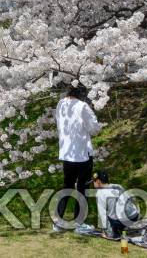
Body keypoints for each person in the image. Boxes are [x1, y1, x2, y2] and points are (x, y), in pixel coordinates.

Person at [53, 85, 102, 231]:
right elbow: (93, 128)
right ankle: (79, 223)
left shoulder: (60, 104)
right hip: (82, 154)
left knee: (67, 186)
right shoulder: (82, 106)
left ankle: (58, 222)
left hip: (67, 152)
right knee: (83, 188)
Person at [90, 170, 140, 239]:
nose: (93, 183)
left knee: (106, 213)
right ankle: (124, 228)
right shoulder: (117, 186)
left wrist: (108, 233)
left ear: (98, 181)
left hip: (122, 220)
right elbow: (130, 199)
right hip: (134, 216)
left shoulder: (100, 193)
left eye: (94, 181)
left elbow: (102, 215)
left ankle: (114, 232)